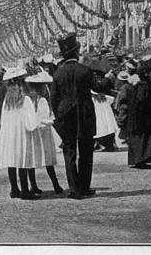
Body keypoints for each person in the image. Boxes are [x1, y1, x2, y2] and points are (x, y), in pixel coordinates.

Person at [51, 32, 97, 200]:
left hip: (66, 116)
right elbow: (98, 87)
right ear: (76, 53)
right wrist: (108, 78)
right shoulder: (85, 70)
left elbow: (53, 99)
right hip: (84, 115)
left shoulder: (58, 74)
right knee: (86, 152)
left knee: (69, 152)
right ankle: (84, 186)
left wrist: (59, 116)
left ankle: (74, 189)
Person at [0, 66, 36, 199]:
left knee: (11, 161)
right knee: (22, 160)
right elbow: (31, 122)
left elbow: (3, 119)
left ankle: (14, 189)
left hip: (9, 135)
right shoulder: (25, 100)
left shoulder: (7, 102)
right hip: (22, 134)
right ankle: (25, 190)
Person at [23, 70, 65, 196]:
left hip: (33, 131)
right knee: (47, 159)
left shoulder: (28, 100)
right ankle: (55, 184)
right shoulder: (42, 101)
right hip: (43, 131)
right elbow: (46, 116)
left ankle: (34, 185)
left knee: (32, 159)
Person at [112, 70, 132, 144]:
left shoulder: (124, 87)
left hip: (124, 106)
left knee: (123, 121)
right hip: (125, 106)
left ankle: (128, 137)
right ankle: (127, 137)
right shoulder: (127, 86)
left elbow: (123, 97)